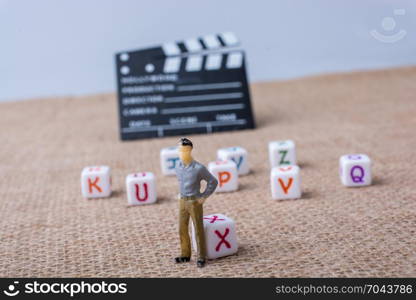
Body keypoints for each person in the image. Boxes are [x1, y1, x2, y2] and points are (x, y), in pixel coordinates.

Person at [174, 138, 218, 267]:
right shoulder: (178, 166)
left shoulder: (198, 168)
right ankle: (185, 254)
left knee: (198, 229)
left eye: (183, 150)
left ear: (190, 150)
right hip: (182, 200)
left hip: (194, 201)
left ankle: (201, 256)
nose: (180, 153)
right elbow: (181, 182)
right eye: (179, 150)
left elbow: (213, 181)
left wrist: (204, 196)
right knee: (182, 228)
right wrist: (180, 194)